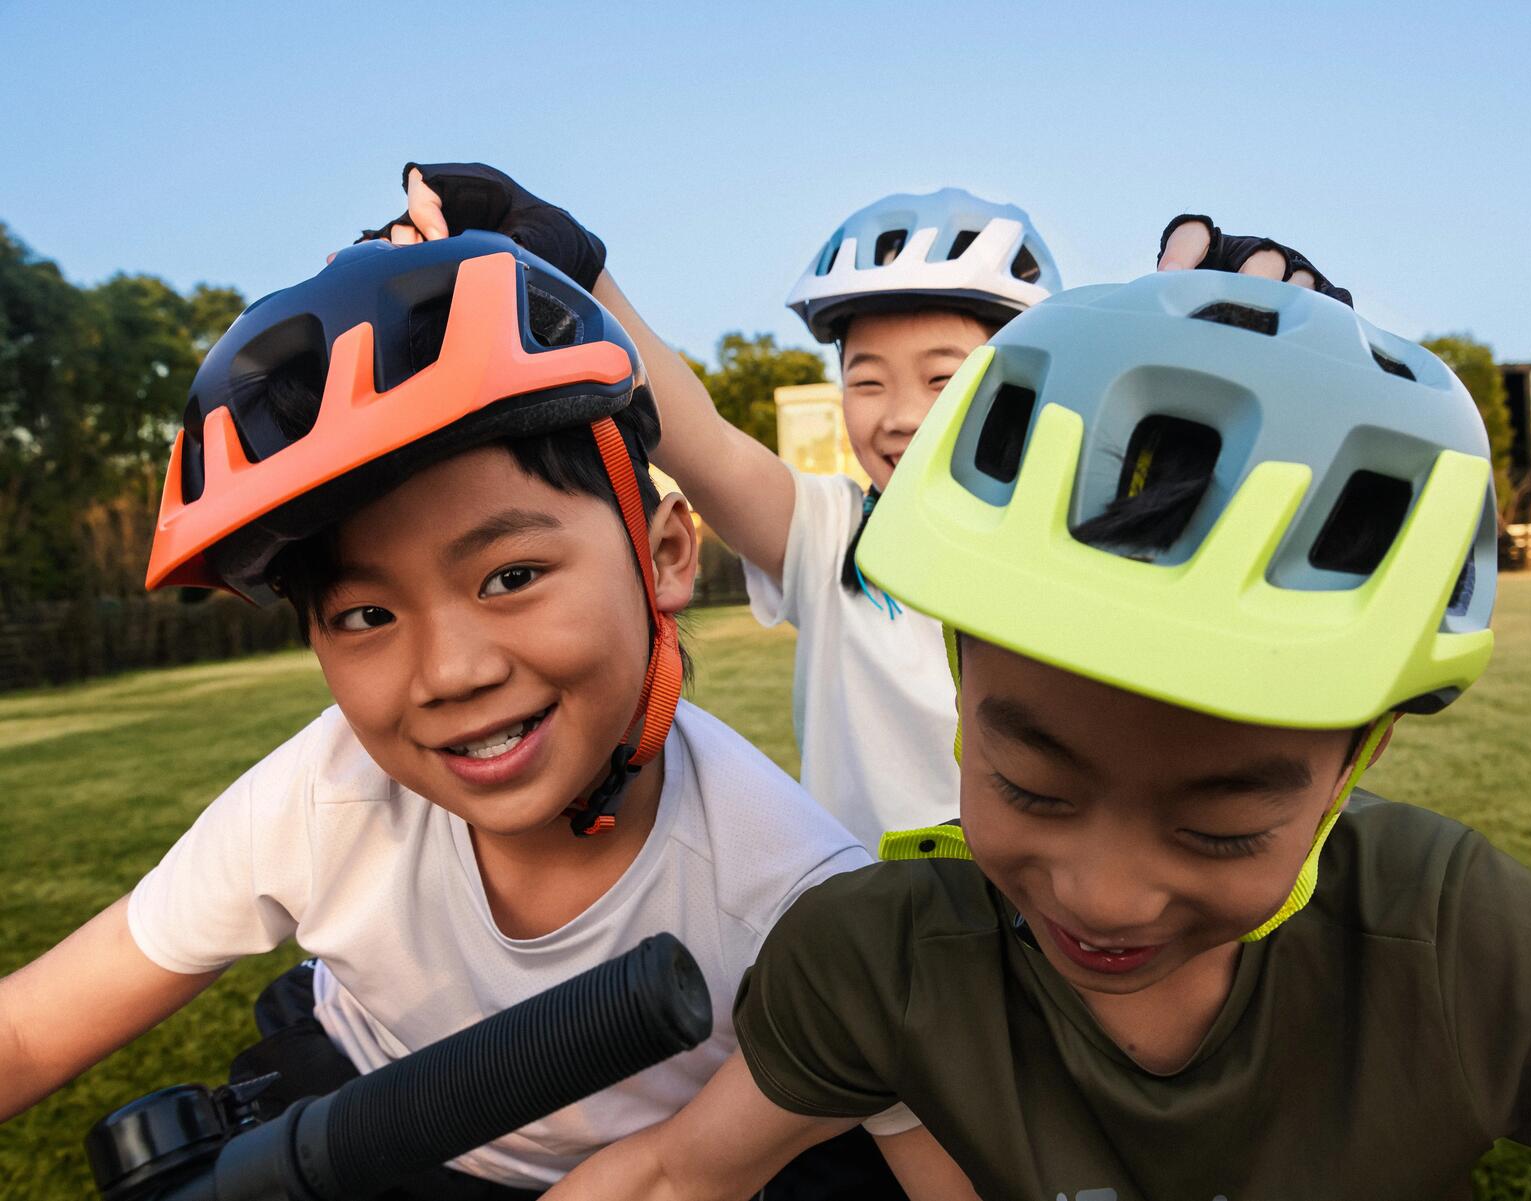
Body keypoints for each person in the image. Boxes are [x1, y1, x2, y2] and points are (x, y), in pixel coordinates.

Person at [541, 270, 1531, 1200]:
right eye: (1029, 784)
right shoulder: (878, 957)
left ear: (1360, 760)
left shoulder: (1449, 940)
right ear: (958, 679)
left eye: (1220, 823)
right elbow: (672, 1175)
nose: (1103, 892)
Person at [0, 233, 949, 1197]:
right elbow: (33, 1026)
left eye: (511, 575)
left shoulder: (792, 892)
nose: (449, 672)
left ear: (666, 556)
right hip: (369, 1123)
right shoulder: (320, 799)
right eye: (366, 615)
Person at [369, 164, 1348, 852]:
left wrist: (1294, 398)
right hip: (862, 946)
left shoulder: (1092, 548)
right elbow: (692, 431)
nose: (900, 414)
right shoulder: (830, 535)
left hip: (1046, 933)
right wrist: (575, 269)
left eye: (943, 375)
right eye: (868, 378)